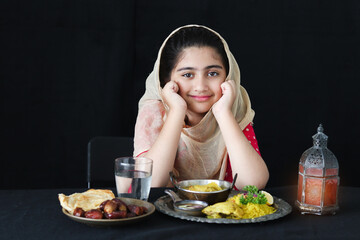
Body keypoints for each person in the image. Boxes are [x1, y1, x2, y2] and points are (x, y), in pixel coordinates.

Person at [133, 24, 269, 190]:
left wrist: (223, 113)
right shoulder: (155, 111)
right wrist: (176, 112)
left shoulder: (233, 107)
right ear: (167, 80)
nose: (201, 86)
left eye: (212, 73)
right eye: (188, 75)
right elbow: (152, 183)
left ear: (227, 76)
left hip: (221, 213)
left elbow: (253, 184)